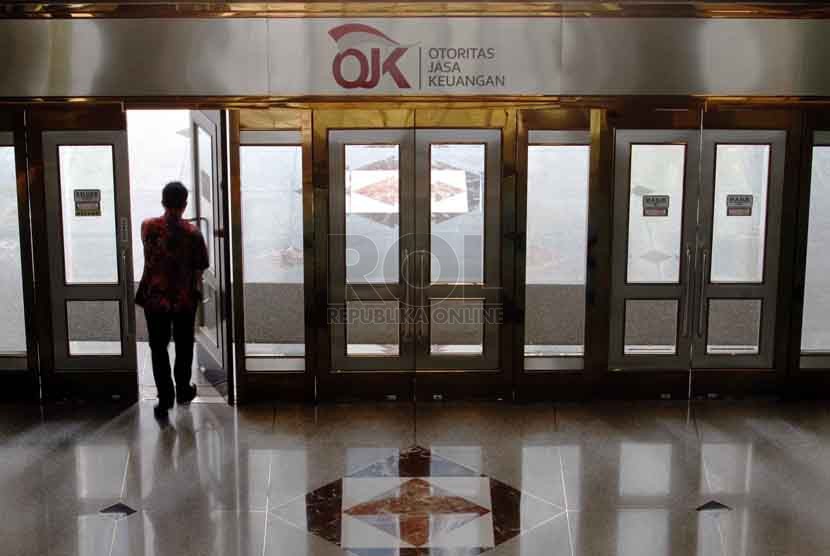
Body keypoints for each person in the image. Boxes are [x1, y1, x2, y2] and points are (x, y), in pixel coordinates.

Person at [135, 181, 209, 418]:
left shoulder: (147, 227)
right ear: (185, 204)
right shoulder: (193, 233)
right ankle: (183, 390)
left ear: (163, 201)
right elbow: (200, 267)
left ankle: (165, 397)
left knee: (158, 347)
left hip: (155, 299)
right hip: (183, 299)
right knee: (184, 345)